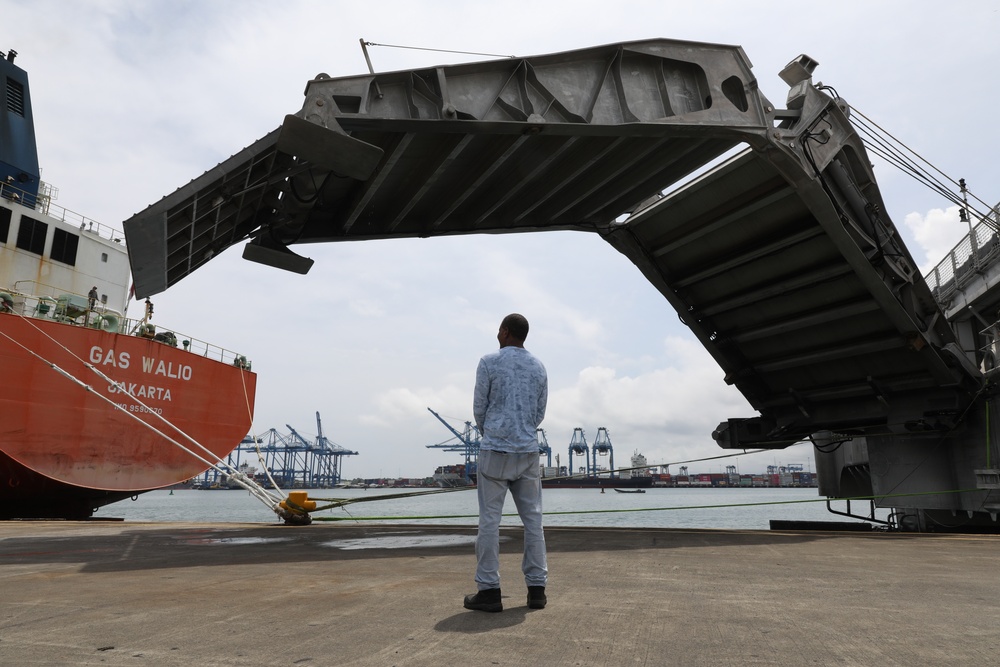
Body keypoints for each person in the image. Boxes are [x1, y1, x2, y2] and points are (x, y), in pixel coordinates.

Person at [464, 313, 548, 613]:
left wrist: (494, 432)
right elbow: (539, 413)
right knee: (533, 522)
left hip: (495, 451)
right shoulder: (539, 366)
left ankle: (489, 591)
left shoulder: (488, 362)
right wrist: (521, 431)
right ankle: (537, 590)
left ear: (505, 332)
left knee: (489, 522)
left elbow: (479, 408)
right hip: (527, 452)